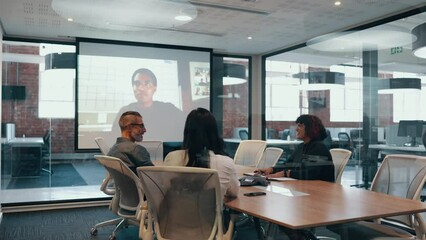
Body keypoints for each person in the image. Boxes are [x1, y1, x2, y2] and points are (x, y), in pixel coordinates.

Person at [163, 107, 239, 199]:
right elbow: (233, 192)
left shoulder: (171, 158)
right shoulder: (226, 163)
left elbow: (165, 187)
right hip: (210, 213)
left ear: (187, 132)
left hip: (175, 212)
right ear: (214, 133)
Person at [111, 68, 186, 141]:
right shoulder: (125, 112)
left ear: (154, 88)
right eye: (137, 84)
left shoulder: (169, 110)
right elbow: (114, 139)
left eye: (147, 83)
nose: (141, 88)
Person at [256, 114, 335, 182]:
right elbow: (288, 164)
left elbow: (310, 174)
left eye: (300, 126)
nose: (296, 129)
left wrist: (286, 173)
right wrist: (272, 169)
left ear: (310, 128)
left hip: (320, 191)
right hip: (307, 187)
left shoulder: (319, 148)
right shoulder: (301, 146)